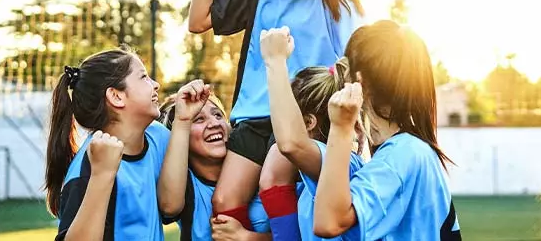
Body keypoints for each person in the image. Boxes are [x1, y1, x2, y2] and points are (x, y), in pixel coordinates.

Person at [187, 0, 365, 231]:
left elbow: (360, 68)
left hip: (305, 119)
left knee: (272, 180)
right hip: (254, 117)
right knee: (224, 202)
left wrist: (353, 128)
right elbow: (198, 21)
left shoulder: (338, 0)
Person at [313, 20, 462, 240]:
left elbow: (328, 222)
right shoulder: (412, 150)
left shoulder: (400, 156)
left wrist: (340, 128)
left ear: (360, 82)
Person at [44, 47, 171, 240]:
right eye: (143, 77)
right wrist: (102, 176)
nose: (156, 85)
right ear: (116, 96)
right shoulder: (86, 170)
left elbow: (173, 207)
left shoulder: (157, 136)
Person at [258, 27, 365, 240]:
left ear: (308, 122)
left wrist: (275, 60)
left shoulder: (342, 163)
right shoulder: (311, 180)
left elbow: (289, 144)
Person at [158, 84, 271, 240]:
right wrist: (183, 120)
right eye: (199, 119)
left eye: (218, 115)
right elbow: (168, 207)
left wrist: (247, 237)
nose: (214, 124)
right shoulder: (185, 187)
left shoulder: (263, 169)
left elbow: (297, 235)